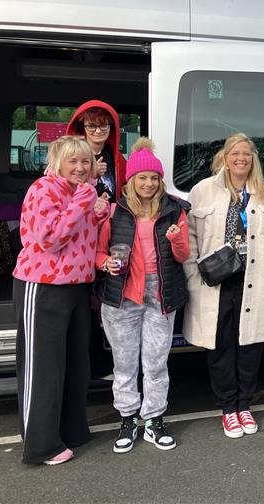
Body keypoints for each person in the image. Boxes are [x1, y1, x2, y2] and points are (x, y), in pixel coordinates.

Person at [12, 135, 110, 465]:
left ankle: (70, 429)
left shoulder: (78, 192)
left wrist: (97, 213)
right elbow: (50, 238)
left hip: (77, 286)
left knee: (74, 364)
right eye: (73, 161)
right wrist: (85, 200)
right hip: (43, 286)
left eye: (85, 161)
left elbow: (82, 235)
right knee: (43, 367)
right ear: (57, 162)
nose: (81, 167)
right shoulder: (44, 188)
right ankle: (40, 445)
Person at [183, 133, 264, 438]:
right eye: (235, 153)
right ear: (224, 157)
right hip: (216, 283)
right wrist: (193, 274)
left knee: (249, 347)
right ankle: (228, 408)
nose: (241, 158)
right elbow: (189, 237)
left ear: (253, 158)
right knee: (220, 347)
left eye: (246, 154)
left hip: (254, 281)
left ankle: (245, 406)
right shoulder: (203, 191)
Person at [95, 138, 190, 453]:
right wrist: (104, 262)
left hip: (160, 293)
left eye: (154, 178)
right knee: (124, 363)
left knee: (156, 362)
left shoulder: (175, 210)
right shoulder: (114, 211)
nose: (148, 183)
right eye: (142, 178)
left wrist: (176, 240)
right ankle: (127, 418)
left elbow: (183, 255)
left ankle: (154, 420)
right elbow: (97, 252)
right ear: (131, 181)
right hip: (122, 294)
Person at [66, 99, 128, 202]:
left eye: (103, 125)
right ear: (83, 128)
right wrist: (90, 174)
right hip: (81, 216)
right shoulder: (68, 156)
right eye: (91, 126)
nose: (98, 131)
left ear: (110, 127)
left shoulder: (118, 159)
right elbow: (62, 190)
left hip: (110, 216)